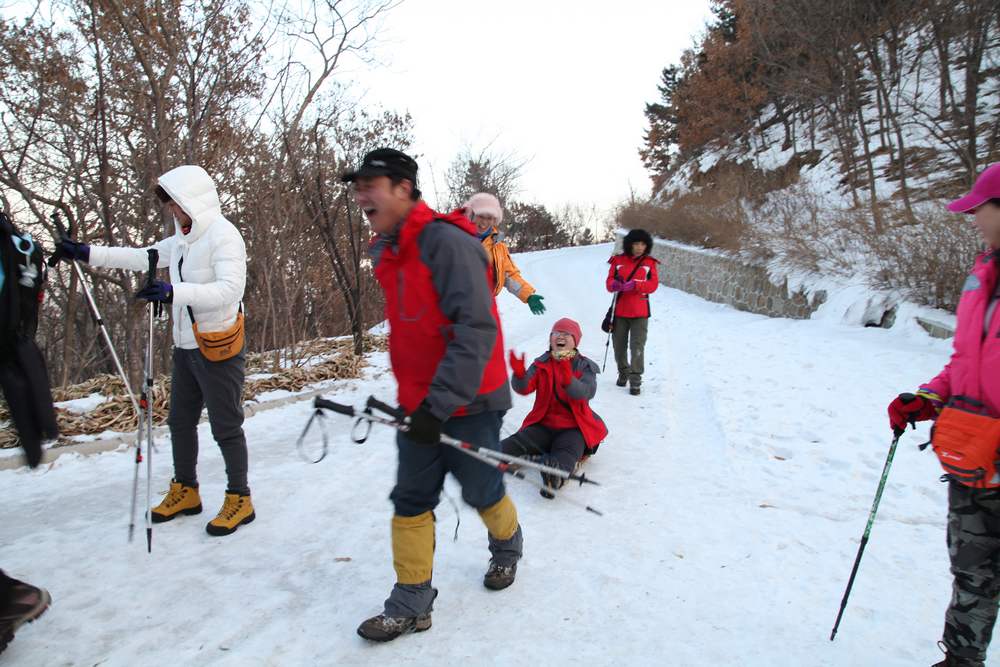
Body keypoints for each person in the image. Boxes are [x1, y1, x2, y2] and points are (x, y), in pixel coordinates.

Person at [343, 148, 523, 642]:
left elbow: (476, 329)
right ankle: (410, 602)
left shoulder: (445, 242)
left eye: (370, 185)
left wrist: (438, 405)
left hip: (473, 401)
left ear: (403, 187)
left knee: (482, 491)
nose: (361, 196)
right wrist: (420, 404)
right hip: (420, 405)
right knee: (411, 500)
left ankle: (507, 546)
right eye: (357, 187)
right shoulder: (392, 249)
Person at [52, 165, 253, 537]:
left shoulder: (224, 236)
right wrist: (84, 252)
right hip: (185, 345)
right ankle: (187, 490)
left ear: (193, 200)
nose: (173, 212)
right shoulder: (180, 240)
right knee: (179, 422)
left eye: (176, 204)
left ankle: (240, 497)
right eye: (171, 206)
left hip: (219, 343)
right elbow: (138, 256)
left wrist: (174, 293)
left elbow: (229, 291)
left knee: (226, 426)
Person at [886, 163, 1000, 667]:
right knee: (972, 569)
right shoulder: (982, 275)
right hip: (972, 452)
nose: (972, 219)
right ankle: (961, 660)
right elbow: (964, 361)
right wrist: (929, 397)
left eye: (979, 210)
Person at [502, 317, 607, 497]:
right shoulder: (541, 363)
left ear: (575, 341)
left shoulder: (584, 366)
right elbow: (525, 387)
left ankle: (554, 476)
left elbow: (586, 391)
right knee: (516, 442)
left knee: (566, 453)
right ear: (551, 338)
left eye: (567, 334)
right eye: (556, 333)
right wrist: (519, 375)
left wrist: (569, 381)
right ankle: (490, 457)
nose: (561, 336)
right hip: (543, 424)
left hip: (573, 427)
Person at [463, 192, 546, 315]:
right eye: (481, 216)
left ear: (495, 220)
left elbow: (508, 274)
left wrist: (528, 295)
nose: (484, 222)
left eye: (489, 218)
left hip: (483, 306)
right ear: (472, 215)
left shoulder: (498, 245)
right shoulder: (458, 237)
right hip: (455, 303)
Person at [606, 228, 659, 396]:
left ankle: (635, 379)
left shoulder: (650, 263)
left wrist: (636, 285)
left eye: (643, 244)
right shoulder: (618, 261)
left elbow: (653, 286)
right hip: (620, 311)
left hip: (640, 313)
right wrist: (614, 285)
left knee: (637, 347)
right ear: (630, 244)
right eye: (636, 243)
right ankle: (623, 372)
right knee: (619, 346)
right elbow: (609, 282)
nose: (639, 247)